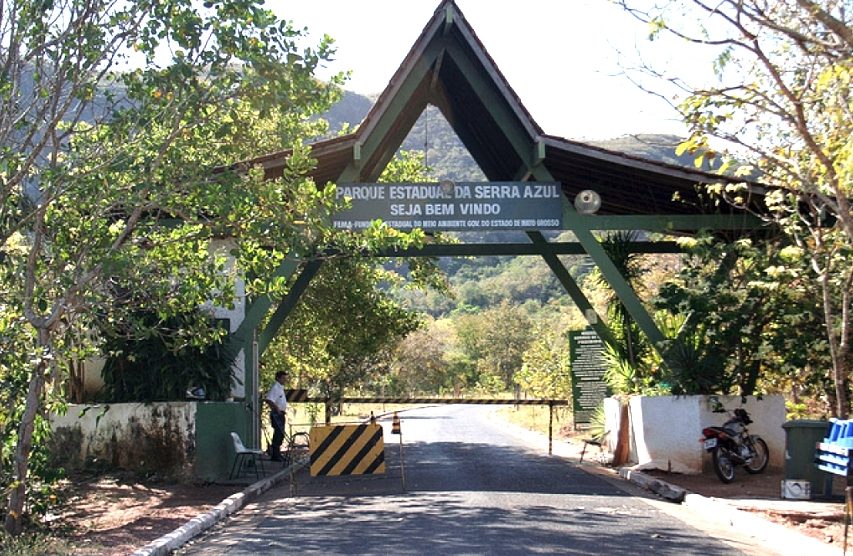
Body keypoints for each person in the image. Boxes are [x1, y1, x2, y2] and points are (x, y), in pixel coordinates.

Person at [263, 370, 288, 461]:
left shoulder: (280, 388)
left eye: (285, 378)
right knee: (278, 433)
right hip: (277, 414)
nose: (285, 380)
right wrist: (276, 409)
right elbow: (269, 399)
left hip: (281, 413)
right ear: (278, 378)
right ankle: (275, 455)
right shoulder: (275, 388)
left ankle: (278, 453)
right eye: (283, 378)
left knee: (281, 433)